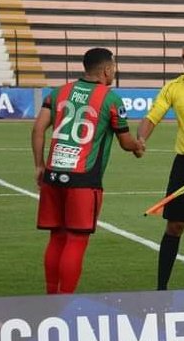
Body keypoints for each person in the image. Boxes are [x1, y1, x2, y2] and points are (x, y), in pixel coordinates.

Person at [32, 48, 144, 294]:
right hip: (83, 179)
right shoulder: (111, 99)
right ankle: (64, 299)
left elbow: (38, 129)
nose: (113, 72)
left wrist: (39, 165)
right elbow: (126, 143)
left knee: (56, 237)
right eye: (113, 67)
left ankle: (50, 296)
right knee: (76, 239)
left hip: (53, 174)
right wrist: (138, 146)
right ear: (106, 69)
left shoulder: (58, 92)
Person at [138, 36, 184, 290]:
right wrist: (141, 139)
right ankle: (161, 288)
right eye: (183, 57)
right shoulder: (174, 87)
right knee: (175, 226)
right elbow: (153, 116)